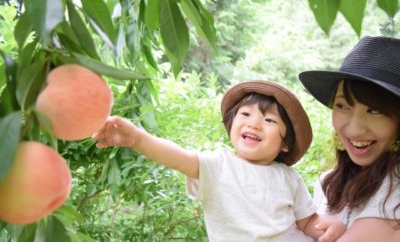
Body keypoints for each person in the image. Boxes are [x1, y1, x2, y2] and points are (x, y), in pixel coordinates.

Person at [92, 80, 345, 241]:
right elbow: (177, 157)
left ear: (285, 143)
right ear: (232, 125)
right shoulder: (218, 166)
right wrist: (137, 138)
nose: (254, 123)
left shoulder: (288, 177)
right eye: (245, 114)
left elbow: (307, 221)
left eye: (269, 120)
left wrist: (328, 228)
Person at [299, 36, 400, 241]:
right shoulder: (327, 182)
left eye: (374, 110)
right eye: (343, 106)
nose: (354, 129)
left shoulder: (395, 185)